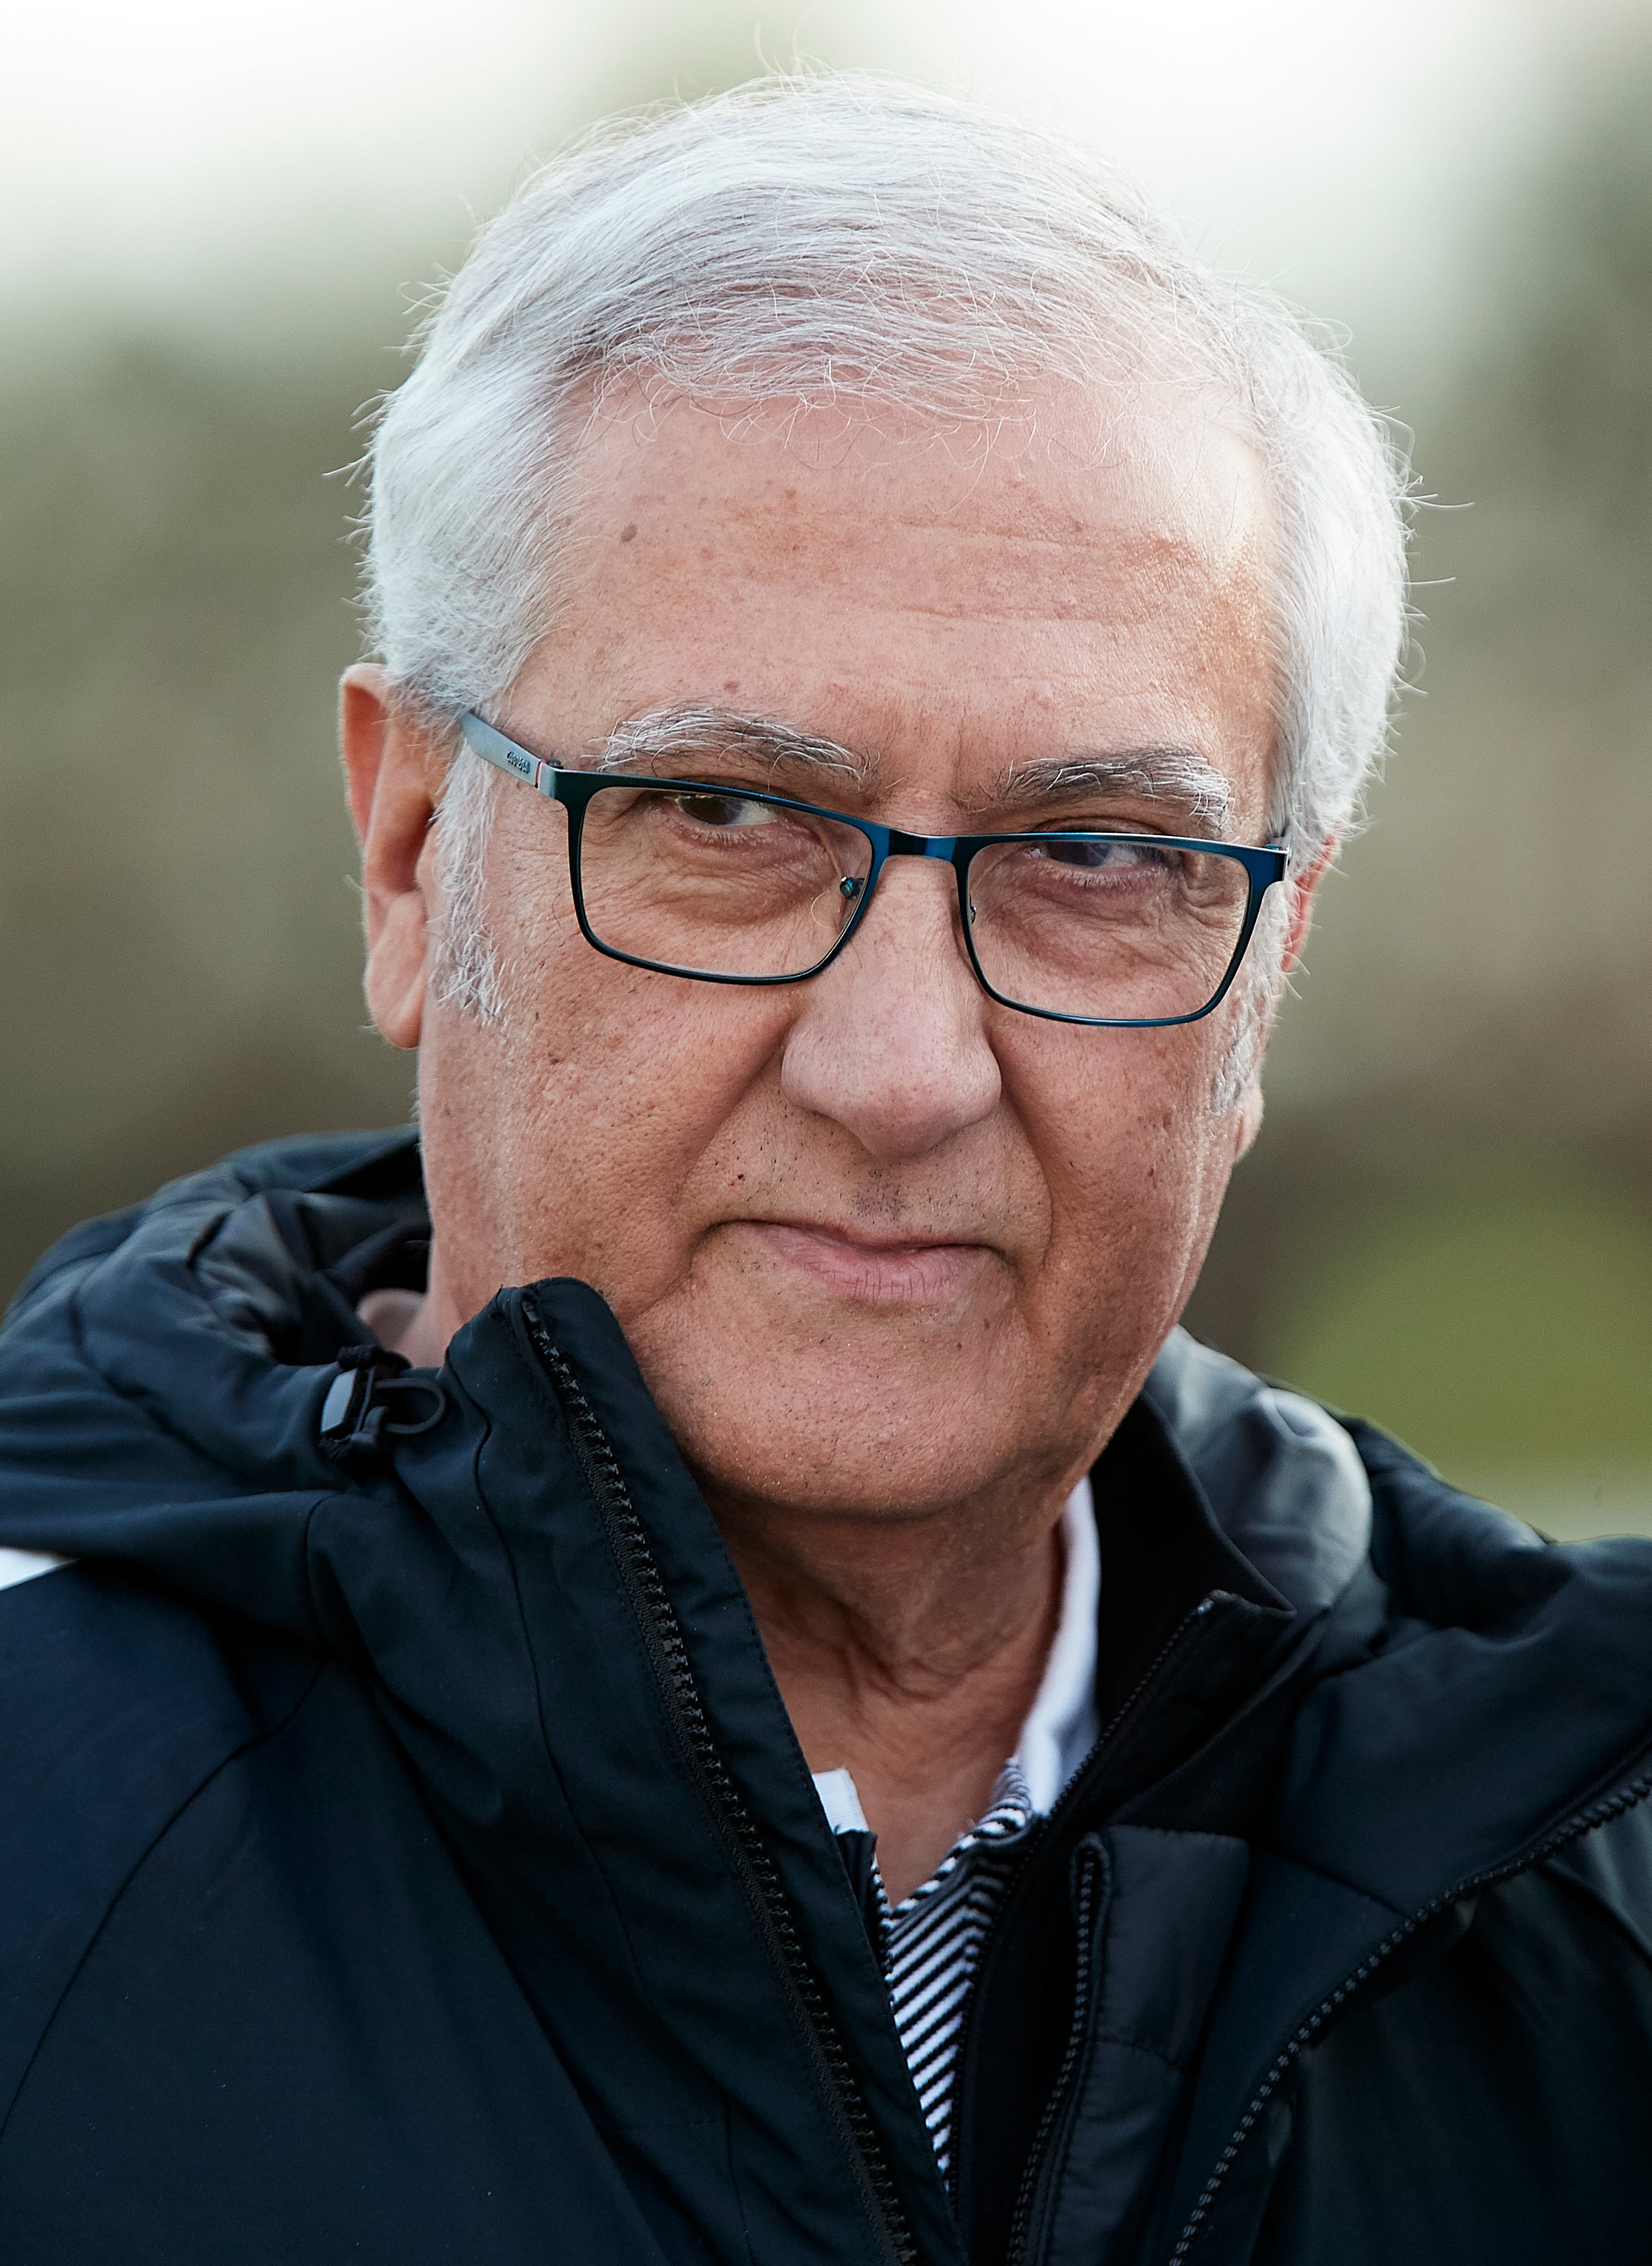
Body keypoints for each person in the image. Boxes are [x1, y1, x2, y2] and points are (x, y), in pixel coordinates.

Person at [1, 75, 1649, 2266]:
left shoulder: (1594, 1882)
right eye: (725, 819)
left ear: (1271, 968)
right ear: (410, 857)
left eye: (1094, 856)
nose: (902, 1070)